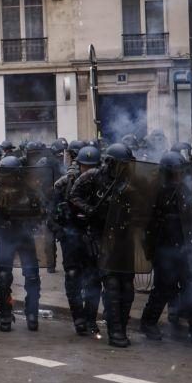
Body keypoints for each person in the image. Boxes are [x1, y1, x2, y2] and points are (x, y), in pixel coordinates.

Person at [138, 152, 192, 346]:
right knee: (163, 289)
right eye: (175, 172)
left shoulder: (186, 190)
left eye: (180, 171)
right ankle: (148, 322)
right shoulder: (156, 192)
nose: (178, 175)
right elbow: (148, 224)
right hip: (165, 251)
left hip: (186, 248)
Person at [69, 144, 138, 347]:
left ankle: (122, 328)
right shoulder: (93, 176)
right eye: (120, 164)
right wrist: (90, 210)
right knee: (112, 284)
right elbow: (73, 195)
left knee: (127, 285)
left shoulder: (131, 180)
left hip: (124, 236)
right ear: (110, 162)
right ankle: (115, 332)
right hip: (101, 235)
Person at [0, 155, 46, 332]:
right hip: (6, 237)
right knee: (3, 278)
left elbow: (41, 212)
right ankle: (5, 314)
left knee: (32, 276)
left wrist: (31, 221)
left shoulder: (29, 191)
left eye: (9, 174)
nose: (6, 178)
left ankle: (32, 314)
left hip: (24, 237)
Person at [52, 146, 102, 336]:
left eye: (92, 166)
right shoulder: (64, 184)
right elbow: (51, 213)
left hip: (92, 236)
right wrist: (60, 232)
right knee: (73, 278)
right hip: (71, 237)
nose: (87, 170)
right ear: (78, 164)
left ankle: (91, 319)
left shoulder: (102, 183)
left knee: (94, 280)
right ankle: (79, 319)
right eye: (84, 166)